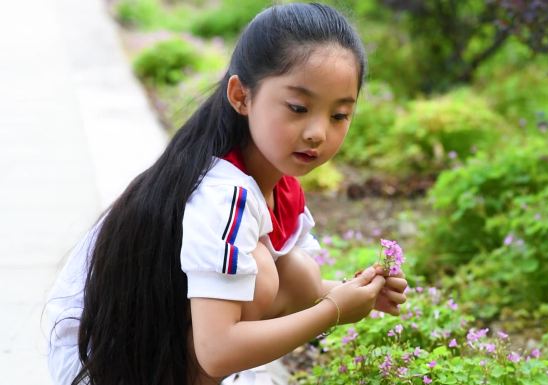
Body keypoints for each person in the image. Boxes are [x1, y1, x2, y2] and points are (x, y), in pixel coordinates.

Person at [44, 3, 408, 385]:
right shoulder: (223, 194)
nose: (318, 132)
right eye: (298, 108)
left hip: (147, 341)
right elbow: (216, 352)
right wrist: (334, 310)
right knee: (267, 274)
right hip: (105, 363)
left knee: (299, 274)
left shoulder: (275, 182)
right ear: (241, 96)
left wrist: (357, 295)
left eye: (339, 115)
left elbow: (300, 292)